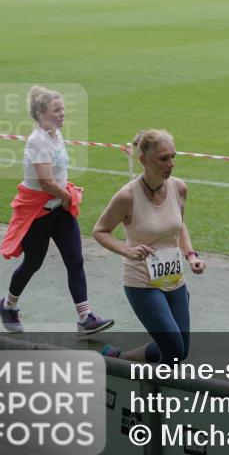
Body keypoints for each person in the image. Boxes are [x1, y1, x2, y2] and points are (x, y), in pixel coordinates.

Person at [0, 85, 113, 335]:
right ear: (41, 114)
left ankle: (85, 317)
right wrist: (68, 195)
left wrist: (65, 198)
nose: (62, 114)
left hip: (59, 209)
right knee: (33, 263)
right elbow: (46, 183)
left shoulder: (55, 135)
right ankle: (8, 305)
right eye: (56, 110)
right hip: (39, 212)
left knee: (75, 259)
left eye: (63, 109)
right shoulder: (38, 141)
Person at [92, 129, 205, 364]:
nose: (171, 164)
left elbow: (179, 225)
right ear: (143, 160)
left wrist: (191, 255)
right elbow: (100, 231)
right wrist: (126, 250)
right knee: (173, 350)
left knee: (180, 351)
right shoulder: (127, 196)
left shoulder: (179, 187)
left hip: (174, 279)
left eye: (173, 156)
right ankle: (150, 398)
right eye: (163, 158)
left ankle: (118, 359)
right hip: (141, 281)